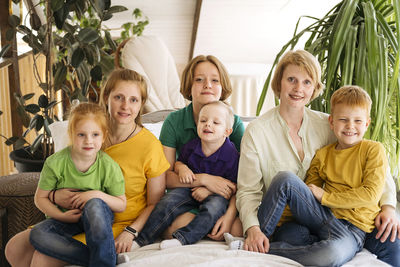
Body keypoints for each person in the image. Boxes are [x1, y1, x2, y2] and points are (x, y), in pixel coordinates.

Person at [234, 50, 400, 266]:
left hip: (341, 217)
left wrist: (388, 207)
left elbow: (377, 169)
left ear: (314, 88)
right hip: (296, 219)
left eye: (306, 82)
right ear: (279, 83)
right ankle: (258, 247)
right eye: (291, 79)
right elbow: (248, 191)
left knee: (394, 244)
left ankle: (319, 247)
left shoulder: (331, 124)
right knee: (293, 233)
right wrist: (253, 229)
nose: (298, 88)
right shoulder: (257, 131)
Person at [5, 68, 170, 267]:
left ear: (141, 104)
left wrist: (131, 232)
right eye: (119, 97)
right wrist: (56, 196)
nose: (126, 105)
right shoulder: (91, 131)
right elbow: (67, 169)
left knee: (42, 259)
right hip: (74, 214)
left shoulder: (150, 146)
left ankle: (103, 258)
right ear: (107, 97)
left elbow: (156, 202)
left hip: (116, 222)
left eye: (134, 100)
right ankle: (106, 259)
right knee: (14, 248)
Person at [123, 101, 239, 254]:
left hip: (217, 195)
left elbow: (234, 186)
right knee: (167, 202)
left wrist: (209, 191)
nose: (208, 125)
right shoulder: (192, 146)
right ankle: (142, 239)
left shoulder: (232, 155)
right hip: (189, 189)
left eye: (215, 122)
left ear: (227, 131)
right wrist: (182, 168)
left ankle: (182, 239)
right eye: (203, 121)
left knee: (213, 210)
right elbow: (179, 162)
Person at [29, 102, 126, 266]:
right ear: (71, 134)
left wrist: (95, 194)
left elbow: (121, 204)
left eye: (95, 134)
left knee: (94, 205)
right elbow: (40, 198)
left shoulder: (108, 166)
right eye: (81, 134)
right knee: (37, 233)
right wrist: (61, 216)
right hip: (65, 220)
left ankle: (103, 258)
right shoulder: (55, 163)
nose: (89, 141)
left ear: (104, 136)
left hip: (98, 221)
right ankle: (105, 260)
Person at [159, 55, 245, 240]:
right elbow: (165, 178)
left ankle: (206, 226)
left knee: (237, 229)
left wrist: (229, 217)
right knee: (171, 227)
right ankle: (202, 227)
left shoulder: (234, 124)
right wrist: (205, 180)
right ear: (189, 86)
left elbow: (245, 179)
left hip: (224, 200)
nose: (207, 85)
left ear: (222, 88)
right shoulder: (173, 122)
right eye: (199, 79)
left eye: (215, 80)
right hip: (187, 196)